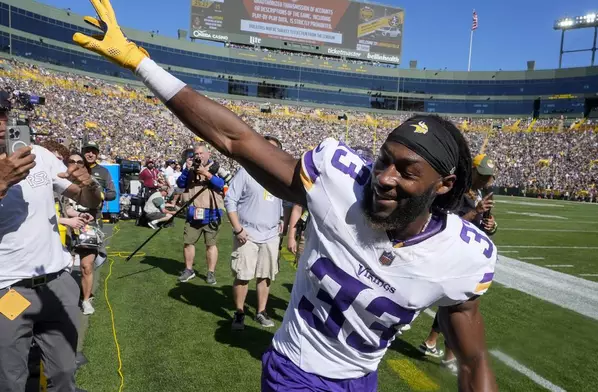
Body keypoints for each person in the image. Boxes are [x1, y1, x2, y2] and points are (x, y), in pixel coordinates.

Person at [74, 10, 498, 391]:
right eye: (385, 160)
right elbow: (237, 140)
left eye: (406, 172)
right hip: (295, 369)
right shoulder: (339, 181)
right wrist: (141, 64)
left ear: (443, 185)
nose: (384, 179)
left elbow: (473, 358)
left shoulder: (463, 255)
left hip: (362, 380)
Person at [0, 104, 103, 391]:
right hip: (7, 289)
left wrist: (89, 184)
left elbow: (87, 198)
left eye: (2, 113)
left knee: (64, 374)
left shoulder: (40, 156)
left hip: (56, 283)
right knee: (10, 380)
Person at [419, 154, 498, 374]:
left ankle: (433, 344)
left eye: (487, 177)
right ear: (471, 170)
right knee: (458, 304)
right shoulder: (456, 191)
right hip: (453, 254)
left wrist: (490, 225)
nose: (485, 180)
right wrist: (476, 212)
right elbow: (446, 224)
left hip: (467, 256)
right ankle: (447, 355)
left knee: (453, 303)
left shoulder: (478, 192)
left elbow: (482, 227)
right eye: (481, 175)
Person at [225, 136, 284, 330]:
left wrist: (281, 218)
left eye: (273, 149)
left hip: (271, 234)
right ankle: (240, 313)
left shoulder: (279, 176)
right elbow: (230, 200)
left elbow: (281, 202)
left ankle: (261, 311)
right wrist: (238, 228)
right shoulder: (247, 171)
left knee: (265, 275)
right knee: (243, 275)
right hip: (247, 233)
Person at [176, 145, 225, 284]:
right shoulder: (190, 169)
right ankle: (189, 269)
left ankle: (211, 273)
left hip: (212, 211)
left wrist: (206, 173)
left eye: (201, 153)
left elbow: (222, 184)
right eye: (196, 153)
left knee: (211, 244)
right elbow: (180, 183)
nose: (198, 156)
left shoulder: (216, 168)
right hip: (194, 211)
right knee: (188, 242)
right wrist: (187, 169)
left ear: (208, 154)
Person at [63, 153, 101, 315]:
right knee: (65, 267)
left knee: (86, 266)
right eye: (72, 161)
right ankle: (64, 300)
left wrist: (89, 213)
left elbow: (98, 201)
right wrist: (72, 217)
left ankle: (85, 300)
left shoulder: (90, 182)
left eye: (80, 162)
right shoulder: (58, 181)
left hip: (86, 227)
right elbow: (63, 207)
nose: (76, 164)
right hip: (62, 227)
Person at [82, 141, 117, 208]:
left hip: (95, 213)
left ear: (97, 155)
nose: (90, 154)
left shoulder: (104, 171)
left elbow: (112, 194)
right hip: (75, 214)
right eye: (87, 151)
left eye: (94, 152)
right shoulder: (76, 169)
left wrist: (100, 195)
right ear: (83, 153)